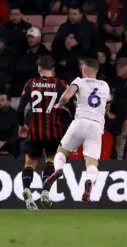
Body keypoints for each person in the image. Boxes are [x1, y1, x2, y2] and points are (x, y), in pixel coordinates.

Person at [42, 58, 111, 204]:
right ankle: (89, 181)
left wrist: (59, 105)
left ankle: (58, 170)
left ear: (84, 69)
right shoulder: (105, 86)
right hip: (97, 125)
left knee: (61, 152)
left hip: (80, 121)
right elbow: (107, 106)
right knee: (92, 162)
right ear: (96, 71)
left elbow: (67, 96)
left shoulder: (79, 81)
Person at [16, 56, 69, 210]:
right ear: (53, 70)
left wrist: (21, 125)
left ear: (39, 69)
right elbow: (70, 107)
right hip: (54, 131)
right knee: (51, 160)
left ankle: (26, 189)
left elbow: (20, 108)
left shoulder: (30, 83)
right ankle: (46, 191)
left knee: (30, 164)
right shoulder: (61, 84)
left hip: (35, 131)